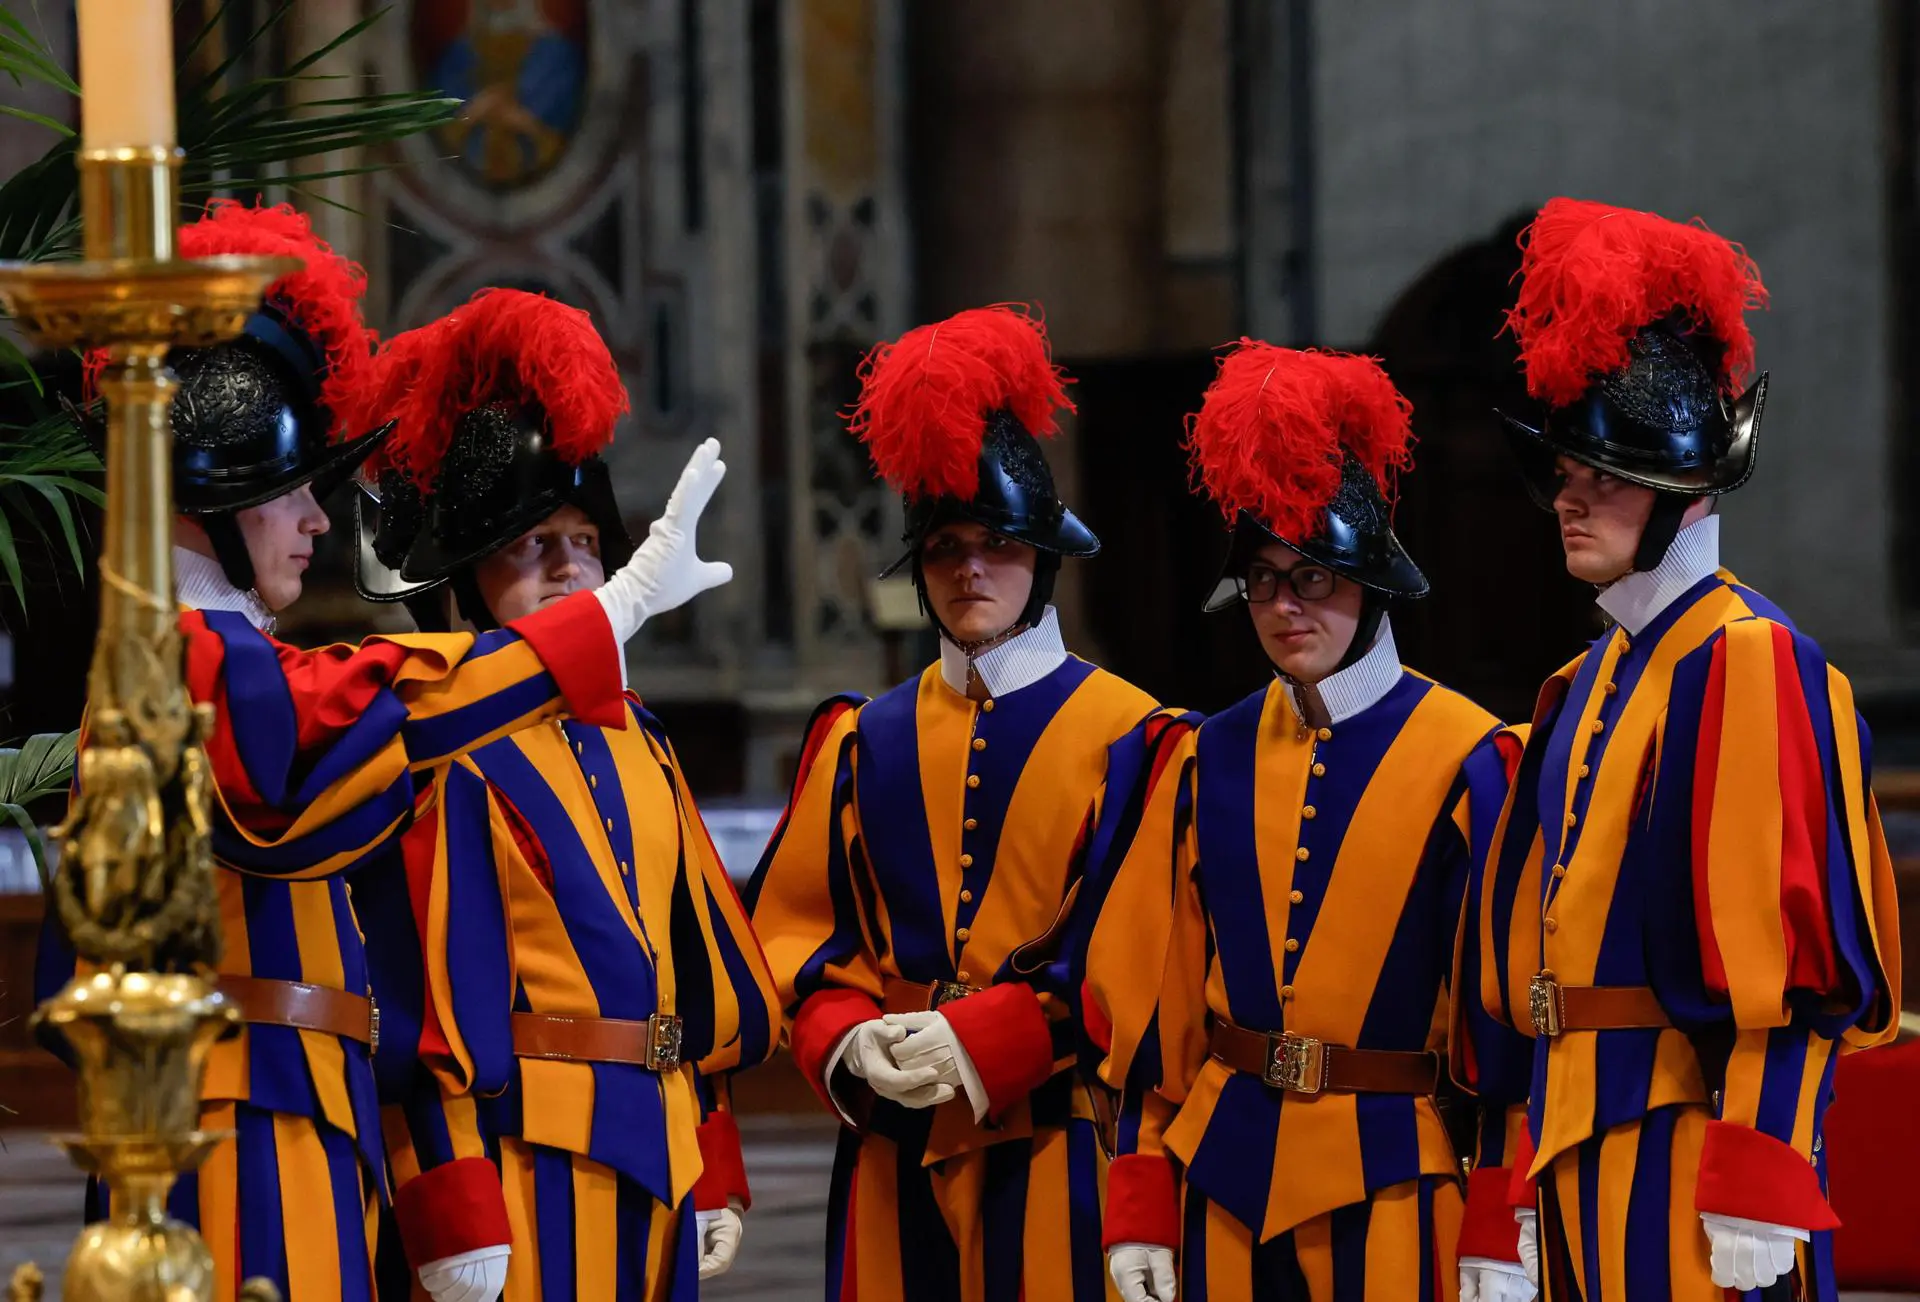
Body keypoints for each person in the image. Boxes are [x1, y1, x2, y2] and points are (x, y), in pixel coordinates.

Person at [34, 202, 726, 1302]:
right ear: (223, 488)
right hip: (240, 1115)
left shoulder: (205, 649)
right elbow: (355, 724)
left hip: (297, 1104)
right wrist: (609, 616)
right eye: (294, 490)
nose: (315, 521)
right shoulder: (180, 654)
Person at [1471, 197, 1900, 1301]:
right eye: (1564, 474)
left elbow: (1799, 968)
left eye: (1602, 474)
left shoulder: (1747, 660)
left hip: (1688, 1147)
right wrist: (1510, 1185)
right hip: (1573, 1145)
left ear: (1689, 488)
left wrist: (1759, 1166)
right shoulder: (1586, 681)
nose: (1569, 497)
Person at [352, 288, 778, 1302]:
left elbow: (690, 967)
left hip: (660, 1155)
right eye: (529, 545)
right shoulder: (449, 748)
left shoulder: (646, 743)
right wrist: (449, 1198)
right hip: (520, 1163)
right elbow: (414, 1006)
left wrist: (712, 1158)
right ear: (464, 581)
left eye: (585, 542)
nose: (566, 566)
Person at [1083, 342, 1528, 1302]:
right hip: (1219, 1178)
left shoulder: (1473, 757)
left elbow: (1504, 1033)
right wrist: (1139, 1197)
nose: (1286, 606)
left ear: (1371, 586)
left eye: (1315, 578)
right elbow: (1156, 1008)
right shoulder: (1206, 755)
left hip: (1401, 1185)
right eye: (1263, 581)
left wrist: (1501, 1220)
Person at [747, 304, 1159, 1302]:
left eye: (997, 544)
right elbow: (800, 935)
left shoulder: (1135, 734)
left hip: (1061, 1145)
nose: (970, 568)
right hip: (892, 1149)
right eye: (943, 548)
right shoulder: (863, 737)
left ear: (1044, 558)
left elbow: (1148, 967)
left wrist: (993, 1038)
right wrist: (847, 1036)